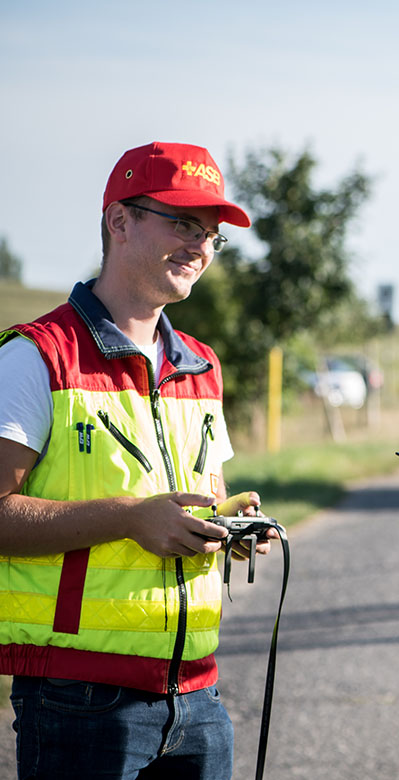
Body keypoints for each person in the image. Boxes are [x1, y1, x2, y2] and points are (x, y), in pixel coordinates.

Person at [0, 142, 274, 780]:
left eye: (211, 234)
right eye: (182, 223)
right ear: (119, 222)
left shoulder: (201, 365)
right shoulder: (36, 356)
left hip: (199, 694)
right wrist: (128, 516)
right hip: (78, 698)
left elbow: (201, 494)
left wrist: (228, 526)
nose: (200, 246)